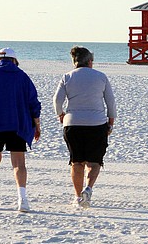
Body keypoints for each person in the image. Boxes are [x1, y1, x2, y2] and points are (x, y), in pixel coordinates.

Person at [0, 48, 41, 212]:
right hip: (17, 124)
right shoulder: (22, 76)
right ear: (14, 60)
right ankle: (22, 200)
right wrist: (36, 124)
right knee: (18, 163)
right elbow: (33, 102)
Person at [53, 46, 117, 208]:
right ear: (89, 61)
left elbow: (57, 100)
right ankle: (88, 189)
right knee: (95, 162)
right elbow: (110, 102)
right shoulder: (101, 77)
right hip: (96, 123)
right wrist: (110, 122)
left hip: (73, 124)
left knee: (76, 162)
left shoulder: (67, 77)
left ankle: (77, 196)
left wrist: (60, 114)